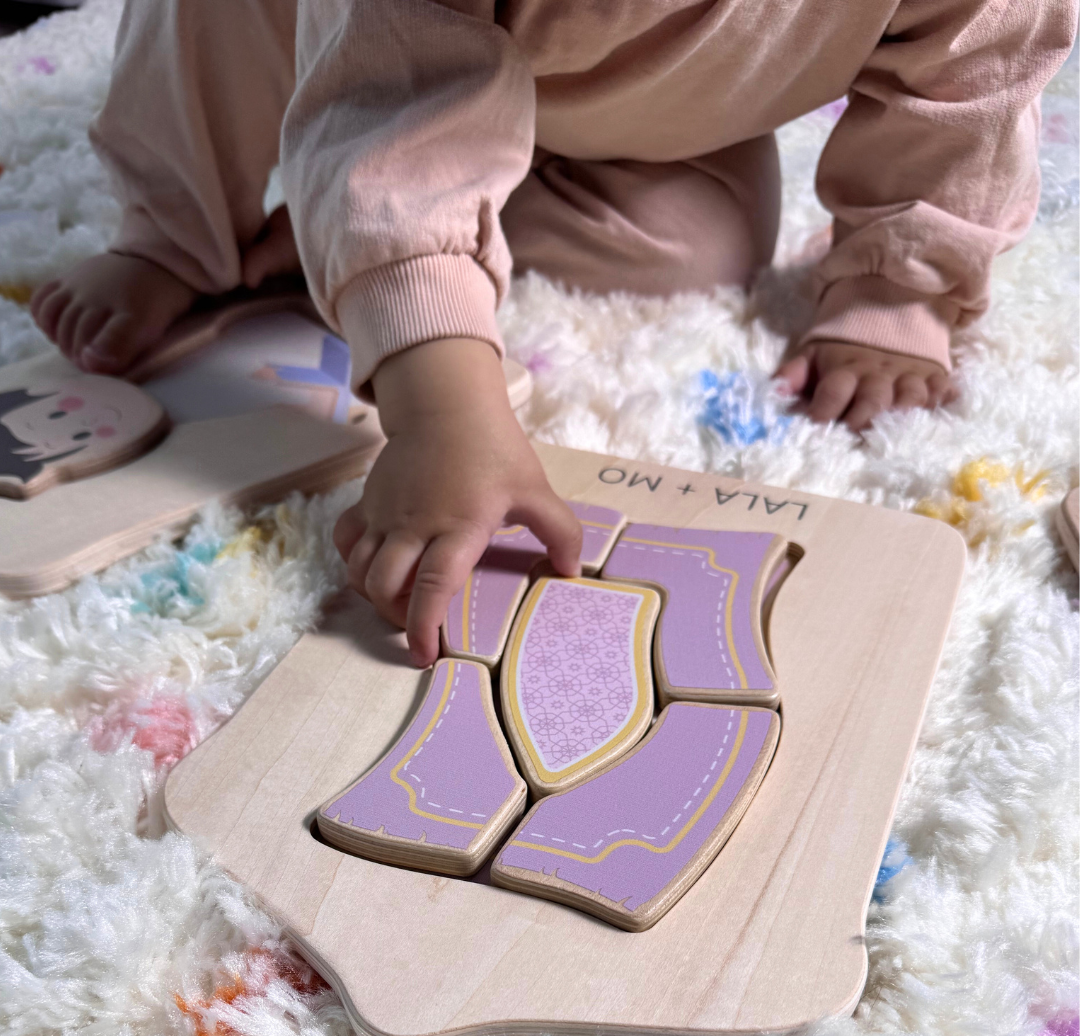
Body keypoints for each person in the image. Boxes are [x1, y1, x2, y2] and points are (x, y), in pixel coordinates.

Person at [29, 0, 1076, 665]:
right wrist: (444, 407)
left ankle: (349, 233)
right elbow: (398, 105)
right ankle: (183, 234)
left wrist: (903, 290)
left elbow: (970, 81)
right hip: (360, 31)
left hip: (636, 101)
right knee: (241, 57)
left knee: (697, 250)